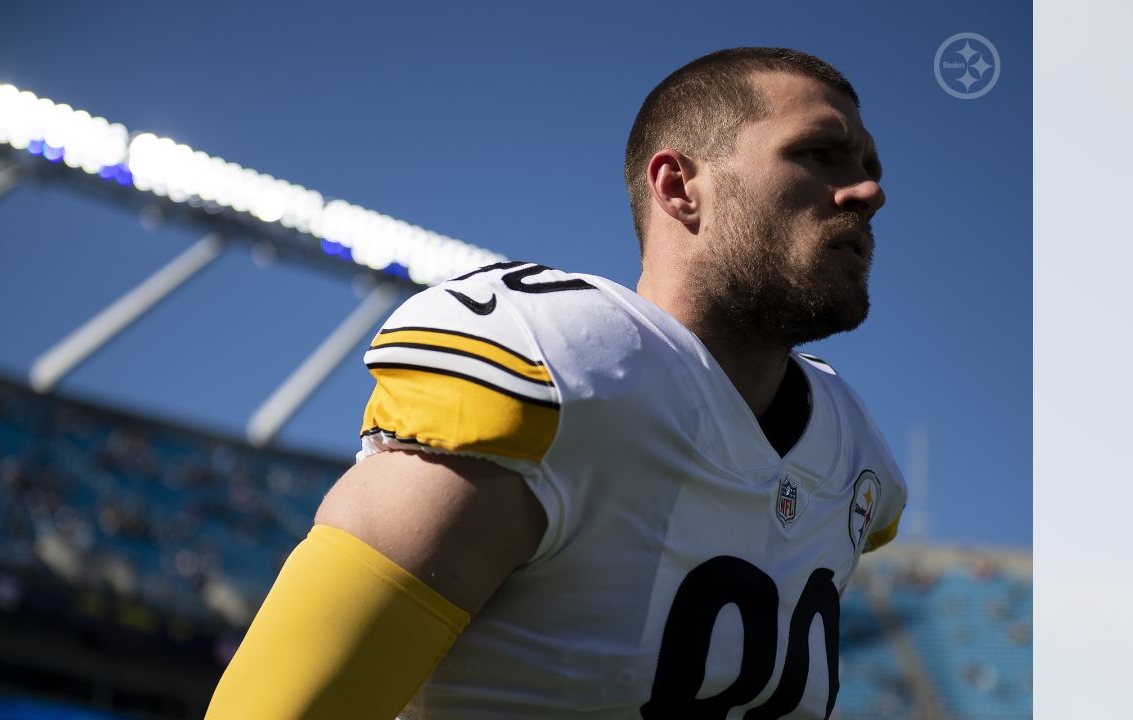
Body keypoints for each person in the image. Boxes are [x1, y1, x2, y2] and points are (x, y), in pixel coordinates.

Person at [206, 47, 907, 720]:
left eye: (870, 167)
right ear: (678, 187)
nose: (869, 192)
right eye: (819, 153)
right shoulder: (561, 367)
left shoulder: (852, 458)